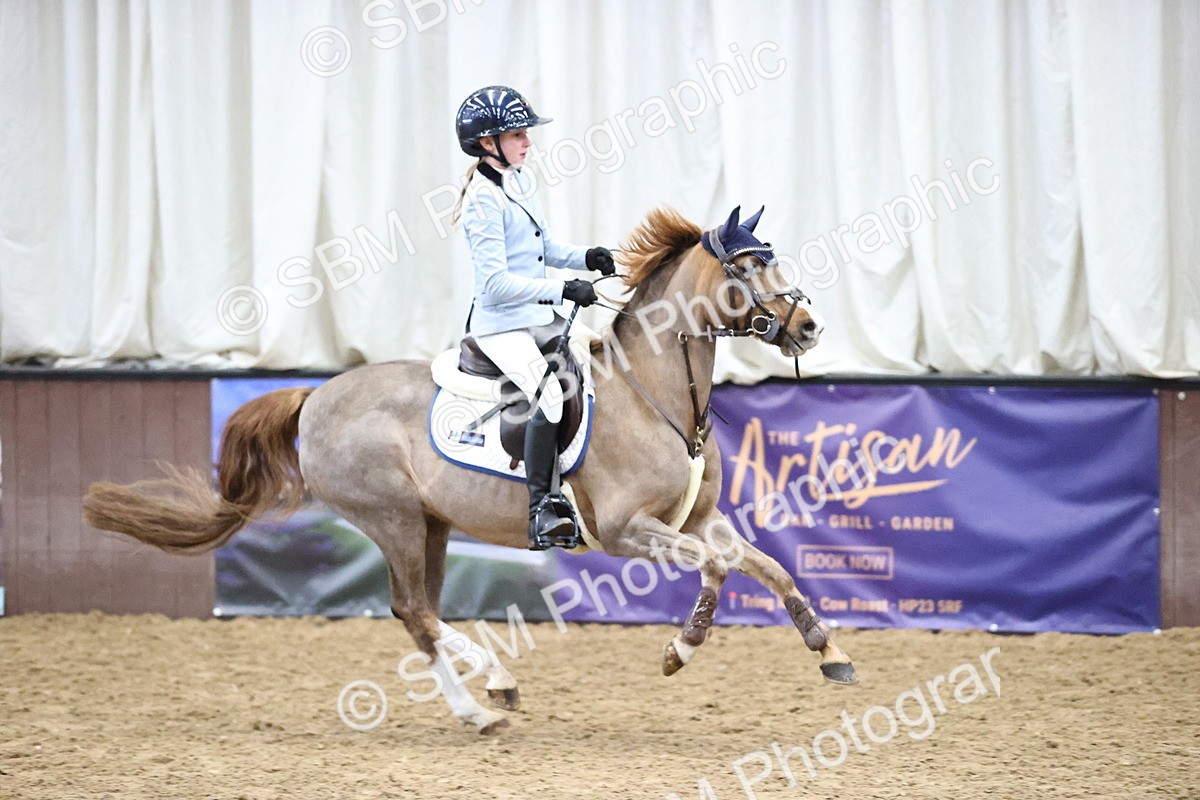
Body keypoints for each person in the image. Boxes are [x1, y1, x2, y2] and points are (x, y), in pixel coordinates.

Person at [454, 85, 615, 551]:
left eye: (526, 134)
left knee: (600, 359)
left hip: (534, 313)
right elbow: (495, 283)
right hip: (501, 325)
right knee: (547, 398)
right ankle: (542, 508)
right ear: (489, 143)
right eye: (518, 134)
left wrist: (587, 258)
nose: (528, 142)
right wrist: (563, 288)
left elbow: (544, 250)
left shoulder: (521, 180)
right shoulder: (482, 200)